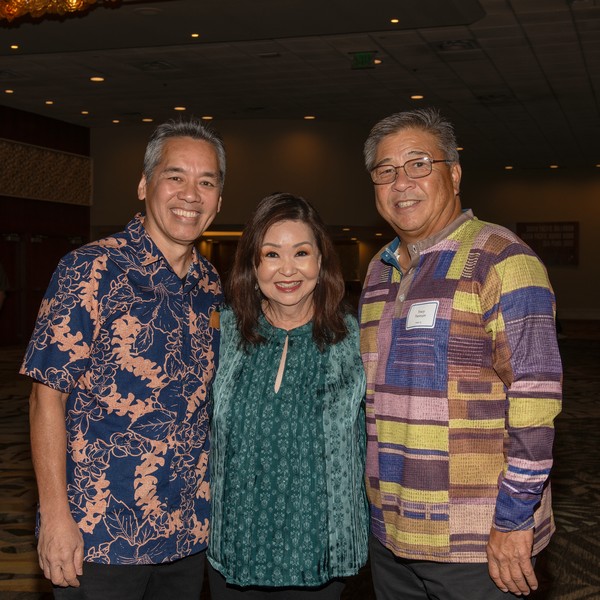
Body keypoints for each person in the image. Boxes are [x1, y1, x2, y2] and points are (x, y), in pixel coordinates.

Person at [359, 108, 562, 599]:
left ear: (453, 174)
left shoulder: (502, 259)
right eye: (385, 171)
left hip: (478, 543)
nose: (401, 182)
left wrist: (513, 520)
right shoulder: (378, 271)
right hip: (391, 535)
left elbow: (535, 402)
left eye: (418, 164)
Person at [20, 118, 225, 599]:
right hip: (99, 536)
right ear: (143, 185)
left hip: (186, 533)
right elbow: (45, 399)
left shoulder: (211, 285)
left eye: (207, 182)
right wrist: (55, 515)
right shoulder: (91, 269)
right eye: (175, 176)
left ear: (219, 199)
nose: (190, 194)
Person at [207, 193, 369, 599]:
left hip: (322, 556)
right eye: (271, 254)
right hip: (235, 552)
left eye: (301, 252)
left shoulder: (357, 340)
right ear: (253, 265)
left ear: (321, 260)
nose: (288, 269)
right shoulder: (224, 332)